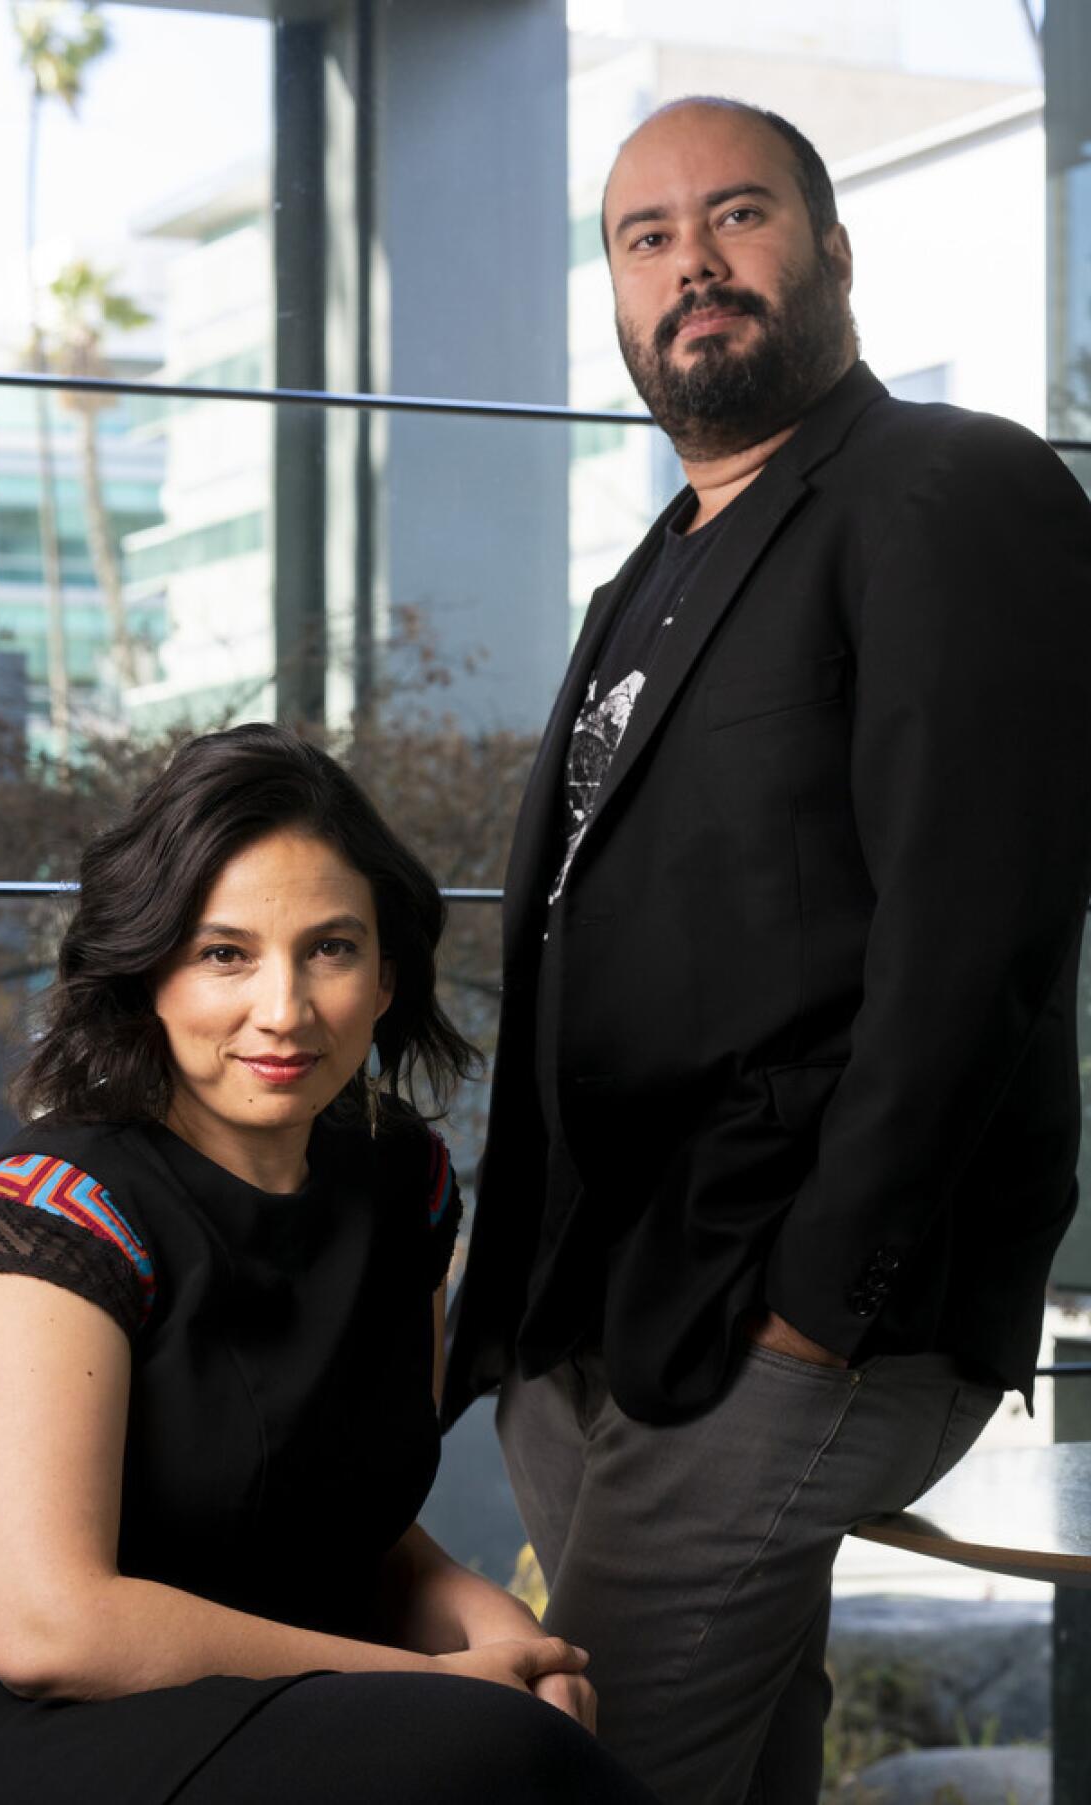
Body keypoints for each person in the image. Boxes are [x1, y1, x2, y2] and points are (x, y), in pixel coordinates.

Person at [441, 95, 1091, 1805]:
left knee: (600, 1777)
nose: (694, 264)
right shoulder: (649, 574)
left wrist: (823, 1308)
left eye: (739, 217)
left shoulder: (950, 488)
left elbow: (982, 932)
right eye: (647, 238)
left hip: (789, 1318)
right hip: (604, 1317)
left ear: (832, 252)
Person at [0, 723, 656, 1805]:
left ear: (389, 974)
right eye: (225, 952)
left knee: (536, 1731)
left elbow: (349, 1520)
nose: (285, 1009)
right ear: (146, 969)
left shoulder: (404, 1185)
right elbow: (48, 1630)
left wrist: (502, 1632)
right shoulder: (48, 1216)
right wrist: (441, 1684)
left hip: (260, 1692)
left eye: (332, 948)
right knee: (494, 1755)